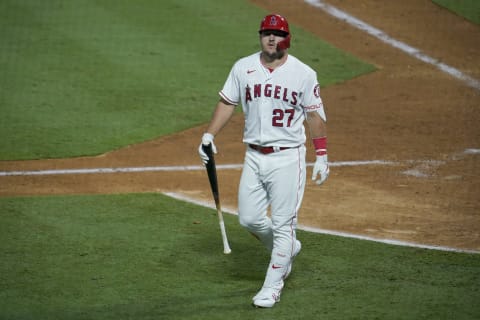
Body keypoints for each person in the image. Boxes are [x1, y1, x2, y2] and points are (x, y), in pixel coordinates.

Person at [198, 13, 329, 308]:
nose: (271, 38)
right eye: (266, 33)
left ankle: (272, 286)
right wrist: (208, 136)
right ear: (260, 36)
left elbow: (314, 116)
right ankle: (286, 251)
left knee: (283, 225)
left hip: (287, 158)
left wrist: (321, 155)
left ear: (288, 39)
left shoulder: (303, 74)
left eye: (278, 33)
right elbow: (227, 102)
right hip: (254, 157)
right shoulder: (243, 68)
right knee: (249, 219)